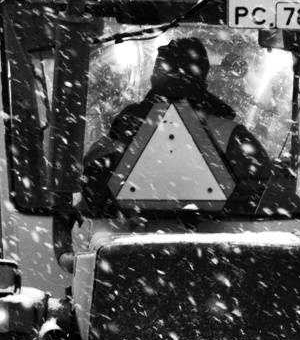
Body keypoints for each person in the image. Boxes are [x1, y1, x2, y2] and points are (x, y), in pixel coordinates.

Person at [82, 35, 270, 215]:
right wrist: (211, 216)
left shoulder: (128, 126)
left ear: (156, 76)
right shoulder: (230, 135)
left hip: (128, 232)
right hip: (213, 234)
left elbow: (91, 179)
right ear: (202, 76)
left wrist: (131, 213)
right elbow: (260, 195)